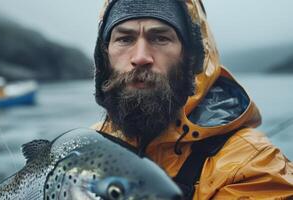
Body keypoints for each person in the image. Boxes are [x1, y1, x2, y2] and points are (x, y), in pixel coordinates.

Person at [91, 0, 293, 199]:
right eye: (125, 39)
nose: (141, 57)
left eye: (160, 38)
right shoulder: (90, 146)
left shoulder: (252, 167)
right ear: (104, 54)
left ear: (191, 57)